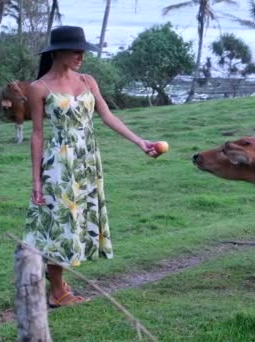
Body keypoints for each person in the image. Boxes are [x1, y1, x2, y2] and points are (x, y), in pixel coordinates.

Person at [22, 25, 159, 307]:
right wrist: (36, 180)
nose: (81, 57)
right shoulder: (39, 88)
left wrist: (139, 141)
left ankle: (55, 280)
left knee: (78, 222)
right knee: (60, 224)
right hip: (59, 164)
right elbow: (37, 134)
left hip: (87, 162)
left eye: (83, 51)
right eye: (76, 51)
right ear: (57, 52)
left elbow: (107, 116)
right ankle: (58, 291)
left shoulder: (88, 81)